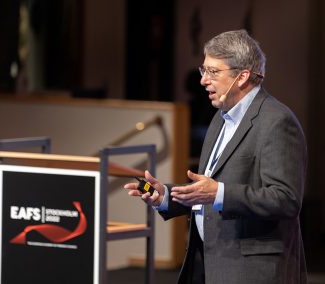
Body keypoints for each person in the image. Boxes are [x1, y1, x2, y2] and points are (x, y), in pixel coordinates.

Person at [124, 29, 307, 284]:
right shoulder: (219, 119)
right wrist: (167, 196)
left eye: (213, 72)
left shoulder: (276, 121)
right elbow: (207, 191)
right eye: (204, 70)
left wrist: (219, 193)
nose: (203, 80)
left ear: (242, 76)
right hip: (211, 264)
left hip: (254, 272)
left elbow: (285, 199)